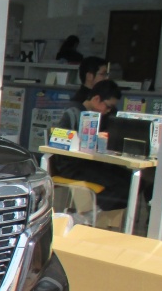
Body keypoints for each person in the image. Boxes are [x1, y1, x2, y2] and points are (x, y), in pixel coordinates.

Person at [51, 79, 129, 211]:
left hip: (92, 163)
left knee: (130, 179)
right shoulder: (73, 113)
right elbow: (60, 142)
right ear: (96, 99)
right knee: (120, 186)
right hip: (73, 166)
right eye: (108, 106)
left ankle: (99, 213)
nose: (109, 111)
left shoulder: (103, 117)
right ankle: (90, 213)